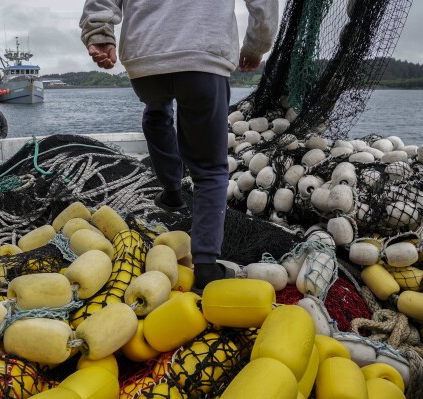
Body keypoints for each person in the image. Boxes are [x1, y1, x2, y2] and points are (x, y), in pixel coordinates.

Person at [80, 0, 279, 292]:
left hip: (145, 59)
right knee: (209, 169)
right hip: (203, 55)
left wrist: (100, 33)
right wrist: (256, 45)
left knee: (157, 111)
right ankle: (207, 266)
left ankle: (172, 191)